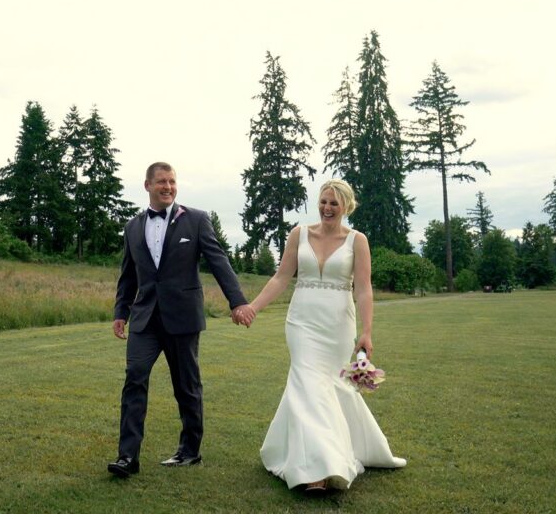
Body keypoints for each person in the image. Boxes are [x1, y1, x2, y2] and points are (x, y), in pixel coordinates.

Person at [237, 179, 406, 491]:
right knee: (307, 387)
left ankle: (341, 451)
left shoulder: (358, 241)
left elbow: (364, 289)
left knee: (334, 388)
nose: (328, 208)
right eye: (324, 202)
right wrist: (254, 307)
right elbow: (281, 277)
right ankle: (316, 470)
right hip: (301, 322)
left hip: (339, 324)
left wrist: (366, 332)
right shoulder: (299, 234)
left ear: (346, 206)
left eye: (334, 203)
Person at [108, 162, 255, 478]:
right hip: (145, 319)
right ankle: (127, 457)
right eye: (161, 182)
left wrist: (237, 302)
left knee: (187, 386)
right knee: (134, 377)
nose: (168, 187)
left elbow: (219, 263)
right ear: (147, 185)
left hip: (183, 318)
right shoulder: (132, 227)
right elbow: (128, 275)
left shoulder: (197, 220)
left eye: (172, 182)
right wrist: (121, 312)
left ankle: (190, 451)